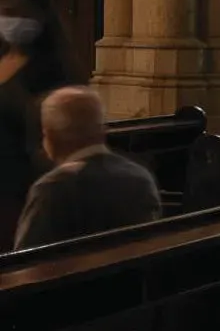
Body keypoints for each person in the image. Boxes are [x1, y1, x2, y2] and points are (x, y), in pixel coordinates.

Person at [13, 86, 160, 249]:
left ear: (51, 137)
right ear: (101, 129)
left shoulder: (52, 188)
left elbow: (25, 261)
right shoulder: (139, 177)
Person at [0, 0, 82, 247]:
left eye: (15, 11)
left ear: (40, 15)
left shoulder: (54, 71)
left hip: (21, 191)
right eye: (2, 12)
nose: (8, 19)